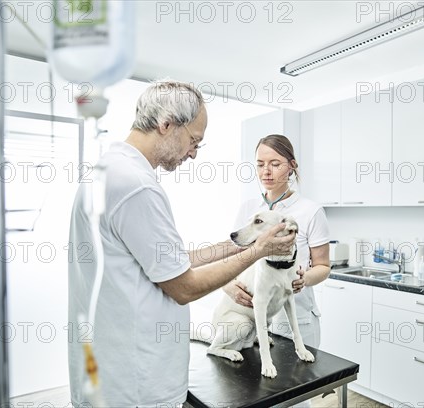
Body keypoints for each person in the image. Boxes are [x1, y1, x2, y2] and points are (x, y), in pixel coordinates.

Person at [67, 81, 296, 407]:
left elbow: (168, 260)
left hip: (109, 372)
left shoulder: (110, 170)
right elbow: (184, 287)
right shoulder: (136, 186)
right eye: (194, 140)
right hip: (134, 385)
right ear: (166, 124)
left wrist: (238, 245)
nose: (193, 153)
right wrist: (260, 251)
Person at [224, 134, 331, 349]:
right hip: (253, 320)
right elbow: (231, 260)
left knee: (303, 381)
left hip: (295, 319)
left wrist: (305, 279)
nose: (266, 171)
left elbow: (323, 266)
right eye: (260, 164)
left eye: (275, 164)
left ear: (291, 166)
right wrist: (229, 286)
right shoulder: (248, 208)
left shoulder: (310, 211)